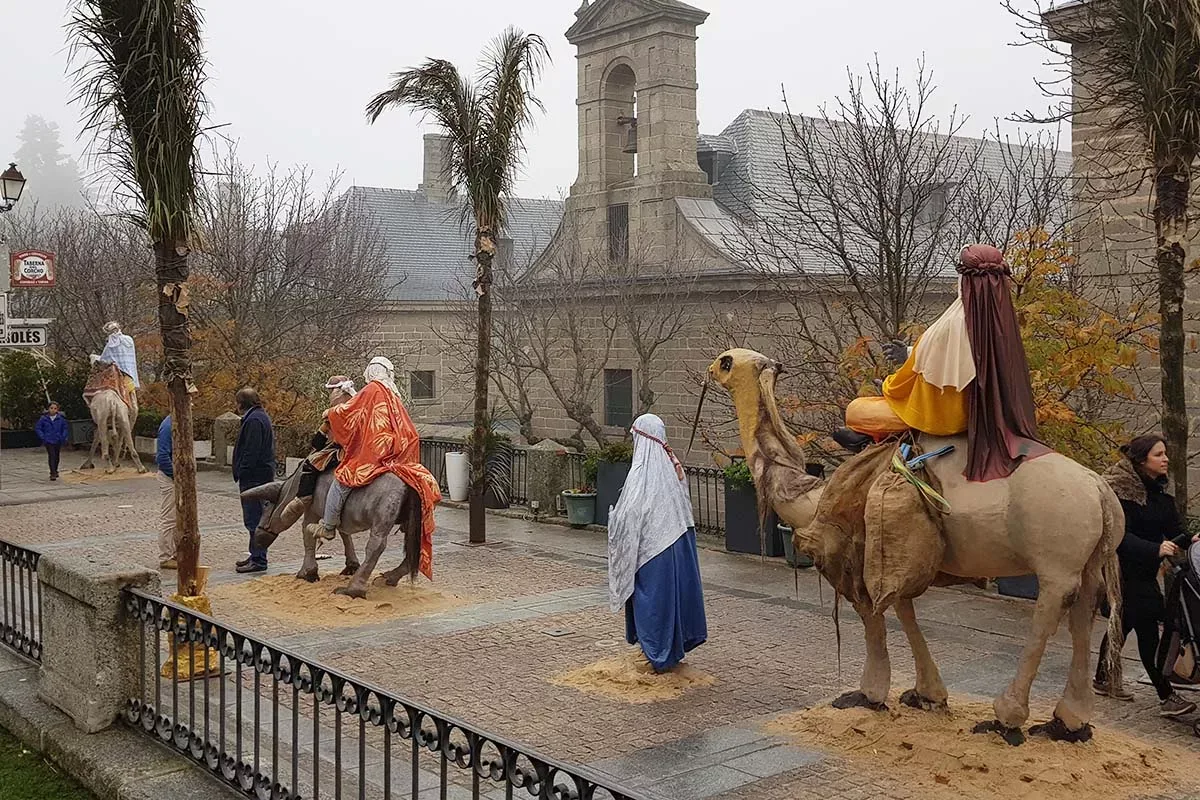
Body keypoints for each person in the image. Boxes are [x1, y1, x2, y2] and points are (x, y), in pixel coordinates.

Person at [834, 244, 1050, 482]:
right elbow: (951, 361)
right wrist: (909, 352)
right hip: (986, 414)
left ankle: (876, 462)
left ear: (964, 280)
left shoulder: (952, 323)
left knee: (857, 410)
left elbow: (910, 381)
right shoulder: (1003, 324)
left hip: (946, 418)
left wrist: (886, 384)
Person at [304, 356, 441, 580]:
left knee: (342, 479)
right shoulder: (393, 393)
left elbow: (350, 411)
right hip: (400, 452)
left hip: (376, 450)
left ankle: (328, 525)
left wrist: (330, 414)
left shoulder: (372, 390)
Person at [1094, 434, 1198, 717]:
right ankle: (1166, 695)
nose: (1165, 459)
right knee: (1149, 627)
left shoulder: (1161, 498)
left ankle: (1103, 678)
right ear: (1141, 460)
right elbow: (1117, 536)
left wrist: (1192, 539)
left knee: (1124, 622)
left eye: (1165, 453)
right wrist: (1155, 548)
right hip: (1122, 569)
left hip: (1146, 571)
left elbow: (1175, 532)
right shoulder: (1118, 494)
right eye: (1158, 454)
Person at [607, 413, 707, 672]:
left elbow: (632, 512)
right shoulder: (673, 468)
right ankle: (672, 649)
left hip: (653, 552)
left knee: (654, 601)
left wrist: (615, 519)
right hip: (678, 545)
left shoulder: (643, 473)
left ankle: (657, 653)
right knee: (672, 597)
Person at [278, 376, 357, 524]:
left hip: (344, 450)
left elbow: (318, 442)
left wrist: (320, 438)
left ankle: (303, 498)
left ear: (338, 392)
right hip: (360, 448)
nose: (329, 394)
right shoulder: (357, 405)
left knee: (311, 463)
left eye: (331, 391)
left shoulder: (335, 412)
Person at [232, 388, 276, 574]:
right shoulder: (258, 416)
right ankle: (255, 554)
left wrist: (243, 470)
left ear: (242, 403)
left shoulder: (254, 420)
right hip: (258, 475)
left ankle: (259, 558)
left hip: (255, 478)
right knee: (254, 518)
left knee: (254, 518)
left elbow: (251, 450)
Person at [93, 321, 140, 391]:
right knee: (132, 396)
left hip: (115, 377)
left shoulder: (110, 345)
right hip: (129, 376)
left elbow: (103, 361)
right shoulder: (129, 340)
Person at [156, 415, 177, 570]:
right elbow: (162, 456)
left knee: (176, 518)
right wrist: (176, 475)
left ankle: (174, 552)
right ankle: (166, 556)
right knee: (169, 518)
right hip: (171, 478)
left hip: (175, 477)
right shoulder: (168, 426)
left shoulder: (174, 423)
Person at [35, 402, 69, 481]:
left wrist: (63, 437)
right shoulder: (44, 419)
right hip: (48, 440)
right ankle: (52, 472)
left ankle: (55, 470)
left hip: (58, 440)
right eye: (51, 408)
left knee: (57, 455)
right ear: (48, 409)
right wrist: (43, 436)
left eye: (55, 408)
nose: (53, 410)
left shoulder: (61, 419)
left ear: (57, 410)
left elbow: (65, 429)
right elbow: (38, 428)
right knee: (51, 455)